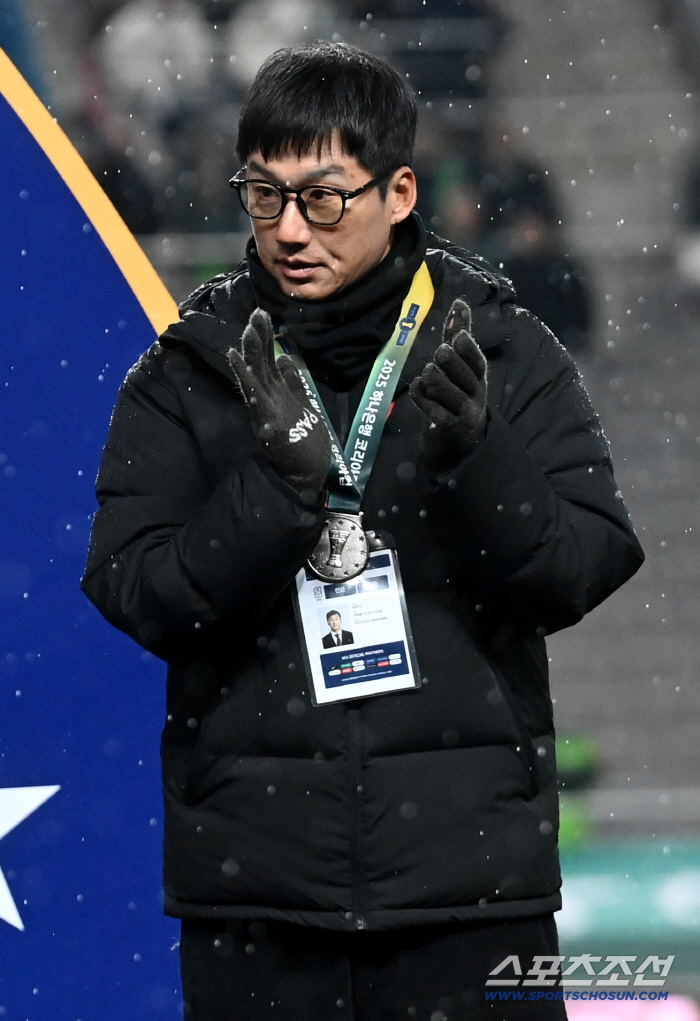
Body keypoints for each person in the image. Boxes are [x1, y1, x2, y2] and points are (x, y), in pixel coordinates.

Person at [81, 42, 644, 1021]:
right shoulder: (189, 372)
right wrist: (275, 488)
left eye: (324, 198)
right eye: (264, 196)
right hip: (258, 902)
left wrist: (480, 460)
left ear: (398, 192)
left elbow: (577, 567)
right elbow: (139, 595)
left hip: (470, 897)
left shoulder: (500, 344)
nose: (289, 229)